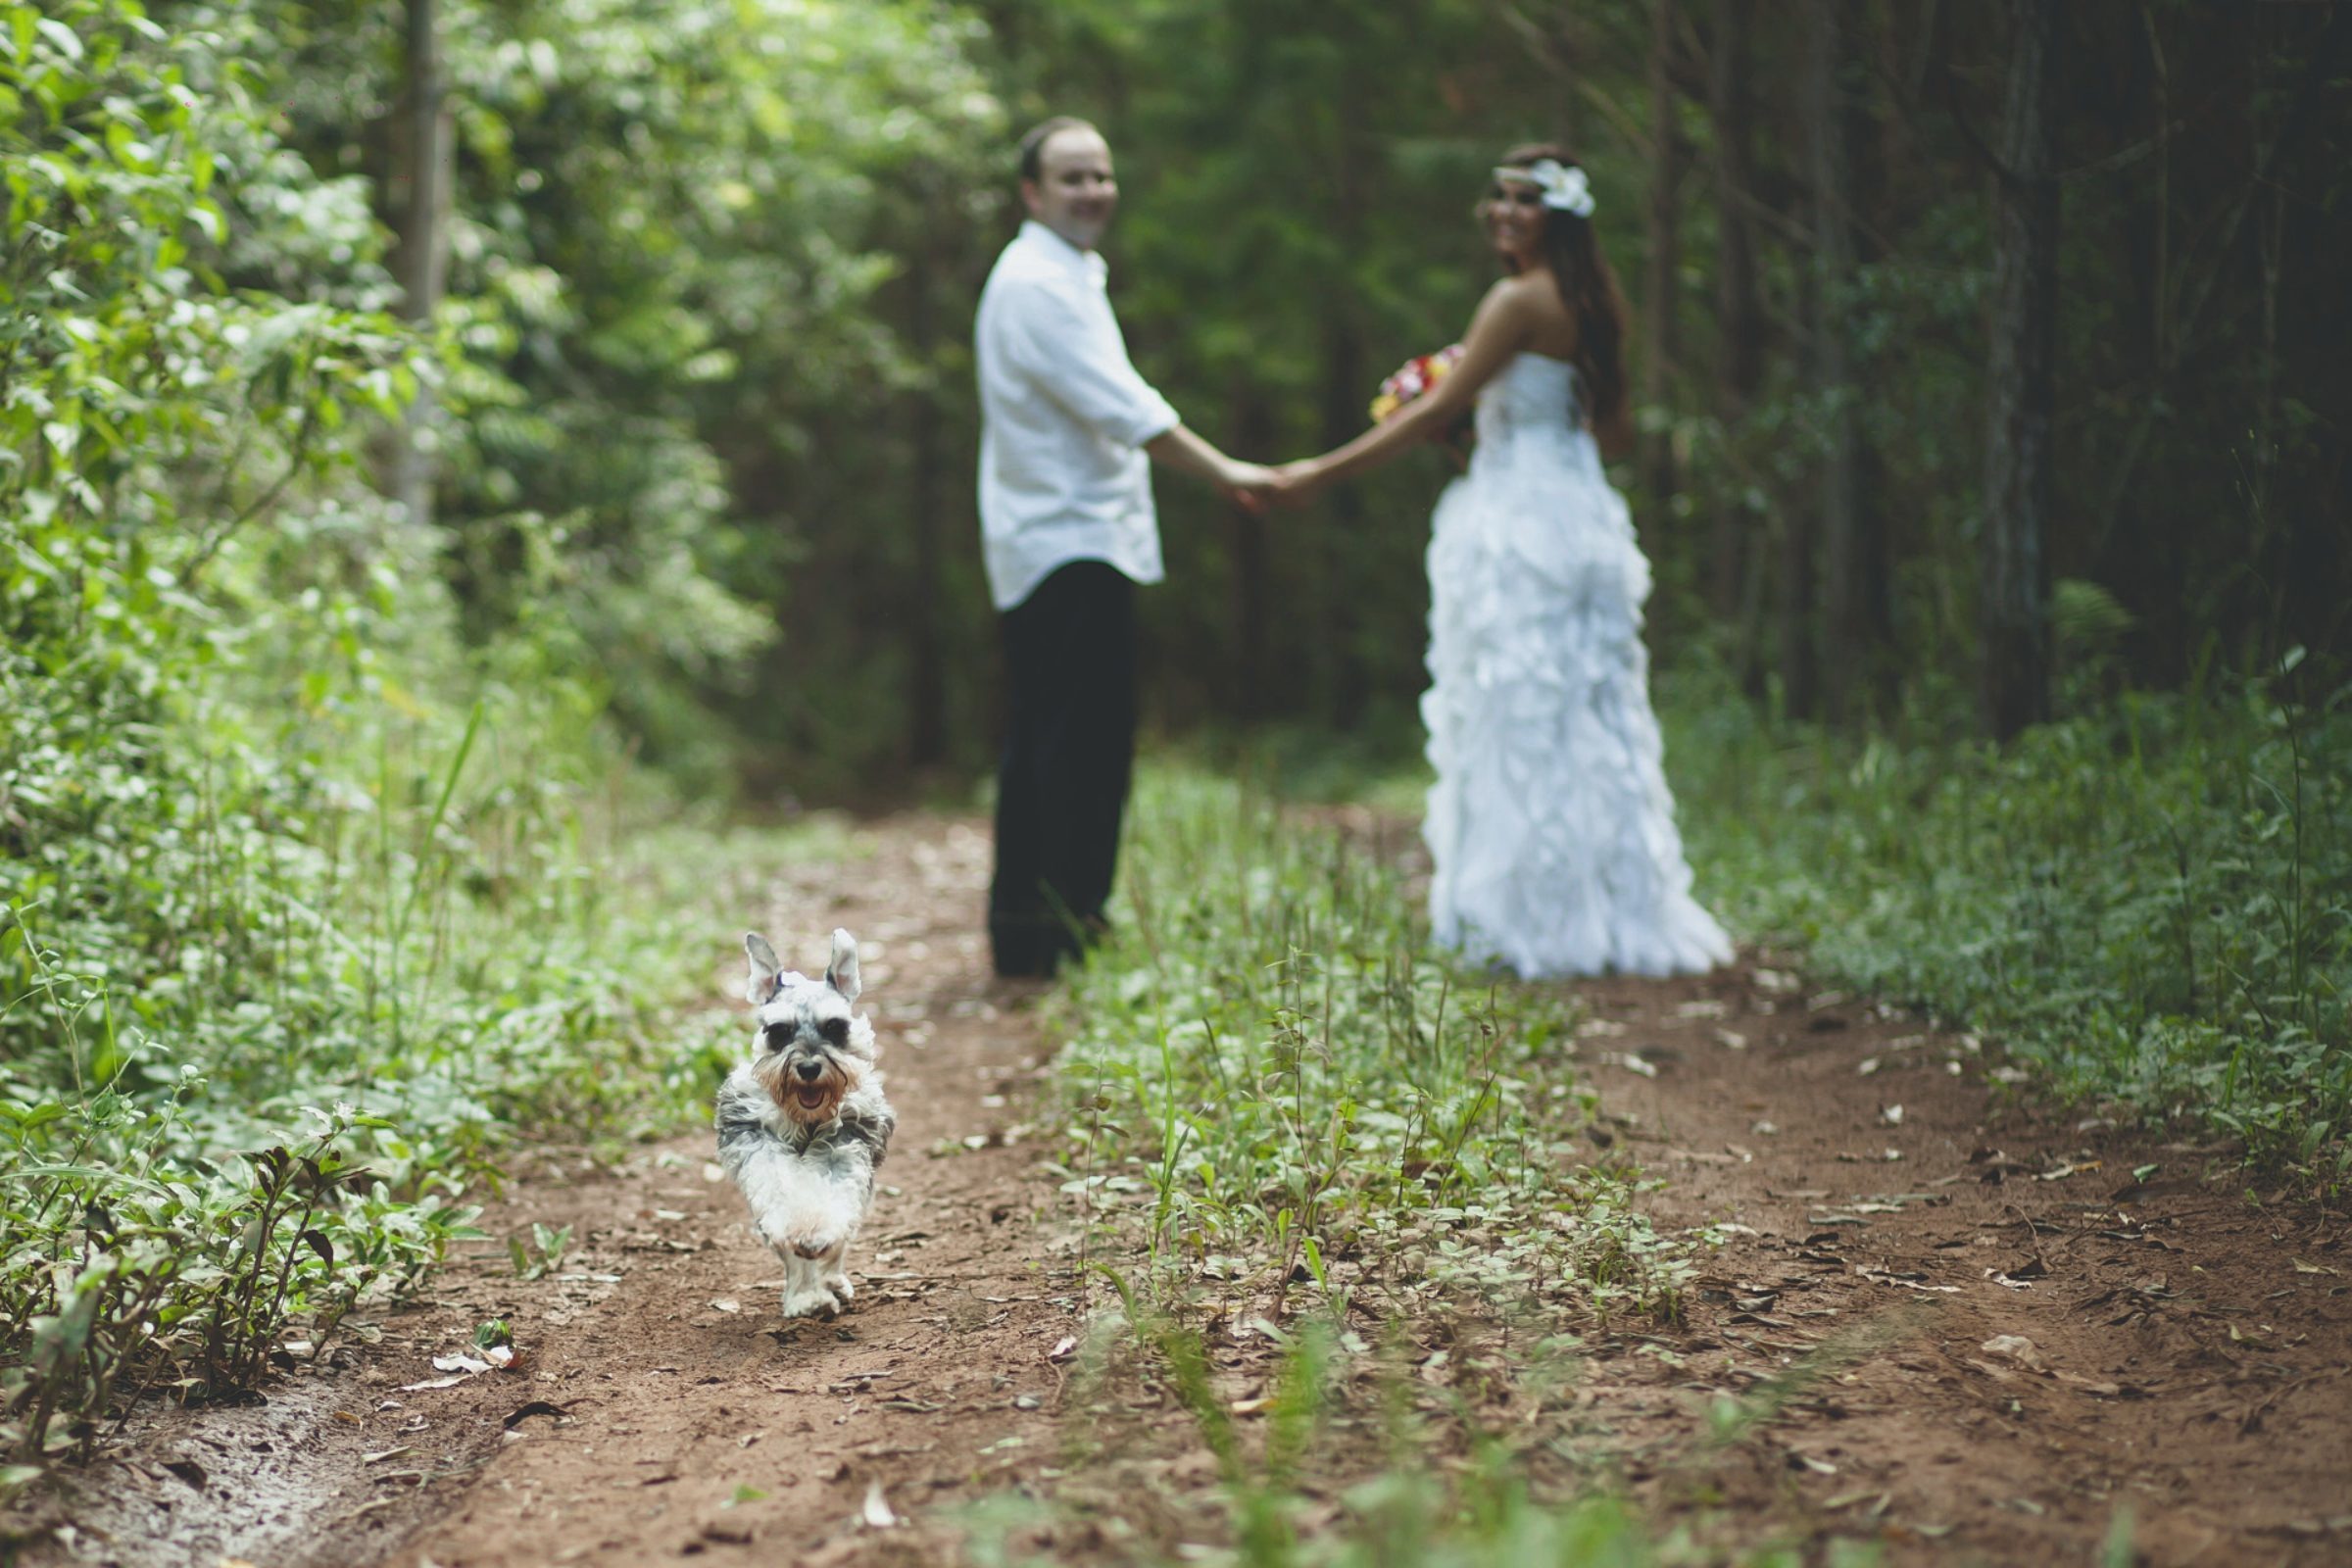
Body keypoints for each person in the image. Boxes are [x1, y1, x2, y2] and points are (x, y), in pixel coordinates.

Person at [1269, 144, 1730, 978]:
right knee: (1589, 713)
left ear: (1556, 216)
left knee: (1517, 709)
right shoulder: (1595, 304)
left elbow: (1438, 408)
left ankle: (1528, 920)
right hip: (1583, 515)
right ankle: (1613, 908)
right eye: (1500, 196)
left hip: (1517, 517)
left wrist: (1319, 473)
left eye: (1524, 199)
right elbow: (1615, 434)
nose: (1504, 212)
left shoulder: (1516, 299)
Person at [977, 117, 1274, 979]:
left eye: (1102, 175)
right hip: (1067, 539)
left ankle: (1033, 935)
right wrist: (1226, 471)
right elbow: (1123, 406)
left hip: (1062, 536)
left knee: (1052, 738)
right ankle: (1063, 934)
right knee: (1080, 744)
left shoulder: (1062, 272)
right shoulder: (1036, 282)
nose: (1093, 191)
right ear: (1031, 192)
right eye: (1072, 177)